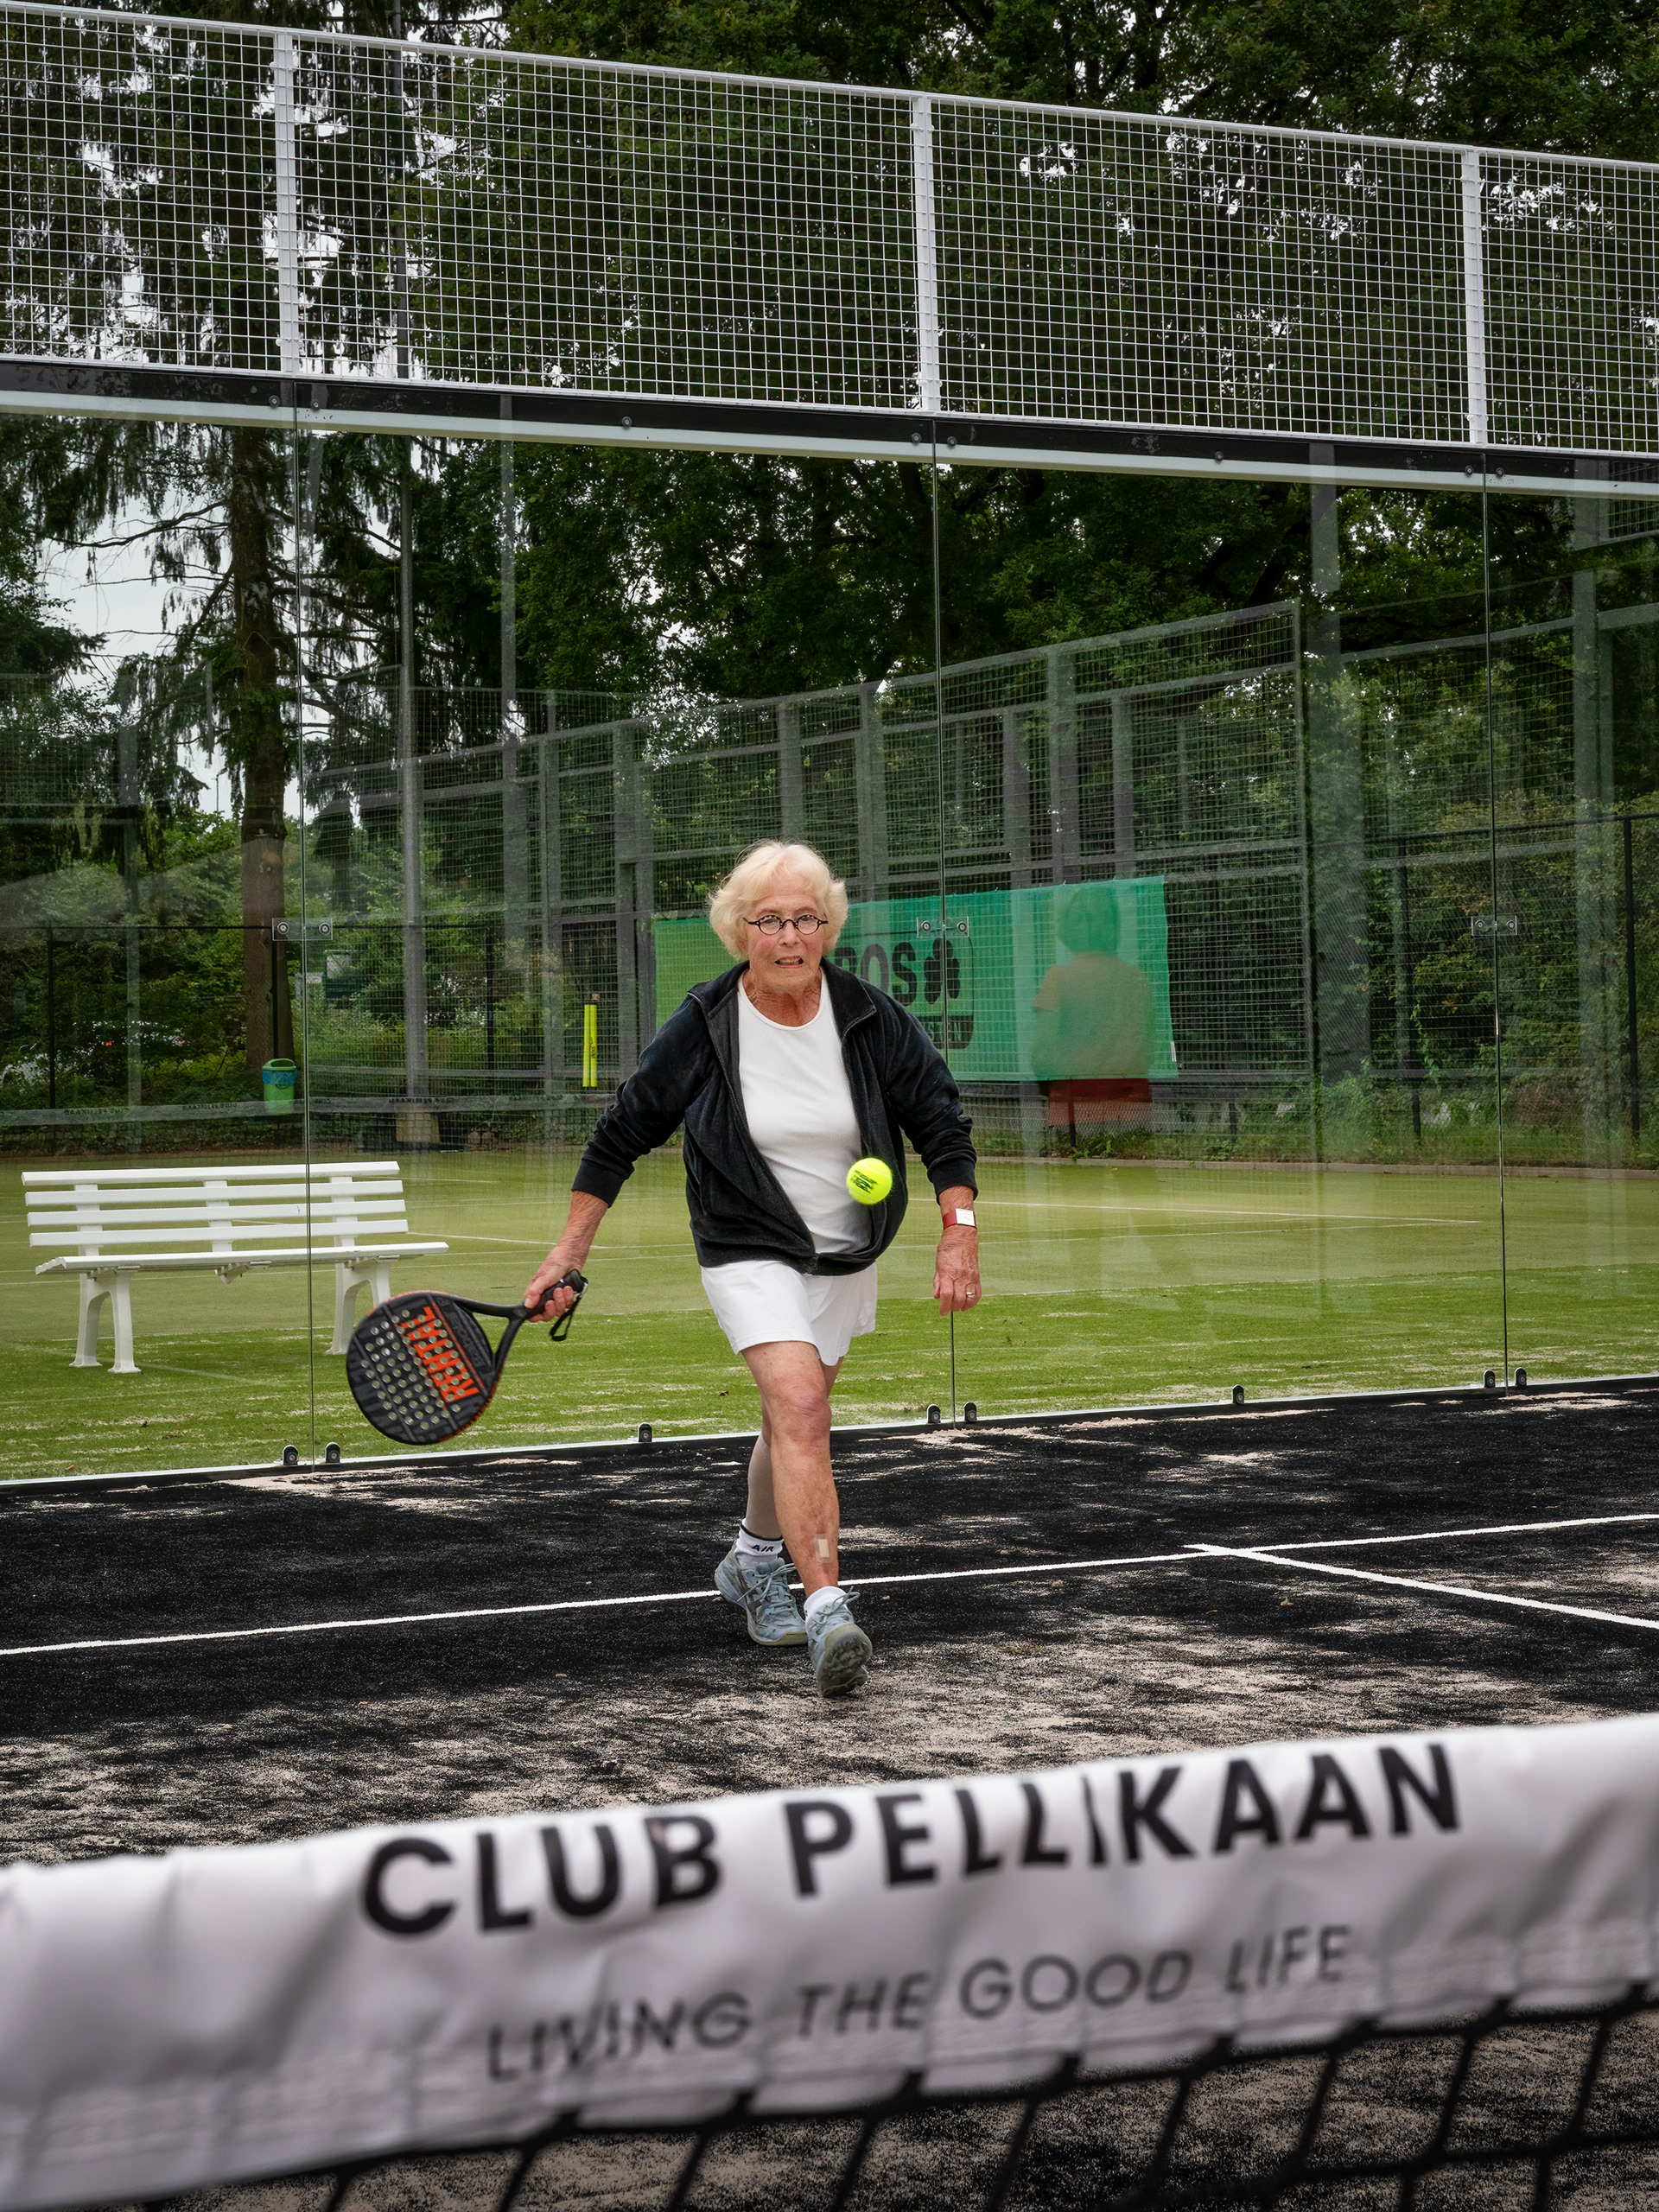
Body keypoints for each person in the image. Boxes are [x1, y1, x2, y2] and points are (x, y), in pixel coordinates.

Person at [524, 840, 980, 1699]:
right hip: (744, 1242)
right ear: (741, 930)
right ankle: (826, 1609)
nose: (790, 936)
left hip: (846, 1248)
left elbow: (940, 1120)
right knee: (800, 1403)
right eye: (770, 919)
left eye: (807, 917)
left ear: (828, 926)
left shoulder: (870, 1017)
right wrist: (568, 1251)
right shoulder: (706, 1024)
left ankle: (752, 1558)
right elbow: (622, 1131)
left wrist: (959, 1227)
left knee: (791, 1418)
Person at [1029, 881, 1155, 1136]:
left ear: (1067, 927)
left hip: (1075, 1110)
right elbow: (1145, 1049)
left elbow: (1042, 1055)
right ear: (1114, 925)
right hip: (1130, 1108)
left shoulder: (1058, 978)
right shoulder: (1135, 978)